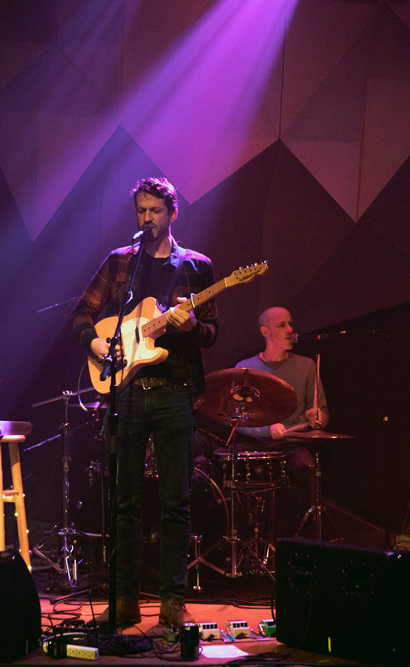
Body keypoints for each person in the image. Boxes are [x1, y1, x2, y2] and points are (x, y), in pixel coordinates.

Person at [71, 177, 218, 628]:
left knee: (176, 501)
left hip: (175, 391)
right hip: (127, 393)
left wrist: (191, 326)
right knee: (124, 502)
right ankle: (124, 600)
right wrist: (99, 347)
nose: (147, 218)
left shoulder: (196, 266)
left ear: (172, 213)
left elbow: (211, 333)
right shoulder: (121, 261)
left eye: (155, 210)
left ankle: (173, 601)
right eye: (141, 210)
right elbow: (82, 315)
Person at [234, 307, 328, 535]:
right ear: (265, 332)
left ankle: (308, 538)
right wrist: (266, 430)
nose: (290, 330)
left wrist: (317, 417)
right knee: (227, 468)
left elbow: (323, 413)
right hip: (255, 445)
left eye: (290, 324)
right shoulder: (245, 368)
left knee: (307, 467)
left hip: (292, 444)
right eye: (281, 325)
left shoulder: (307, 365)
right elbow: (239, 418)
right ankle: (242, 536)